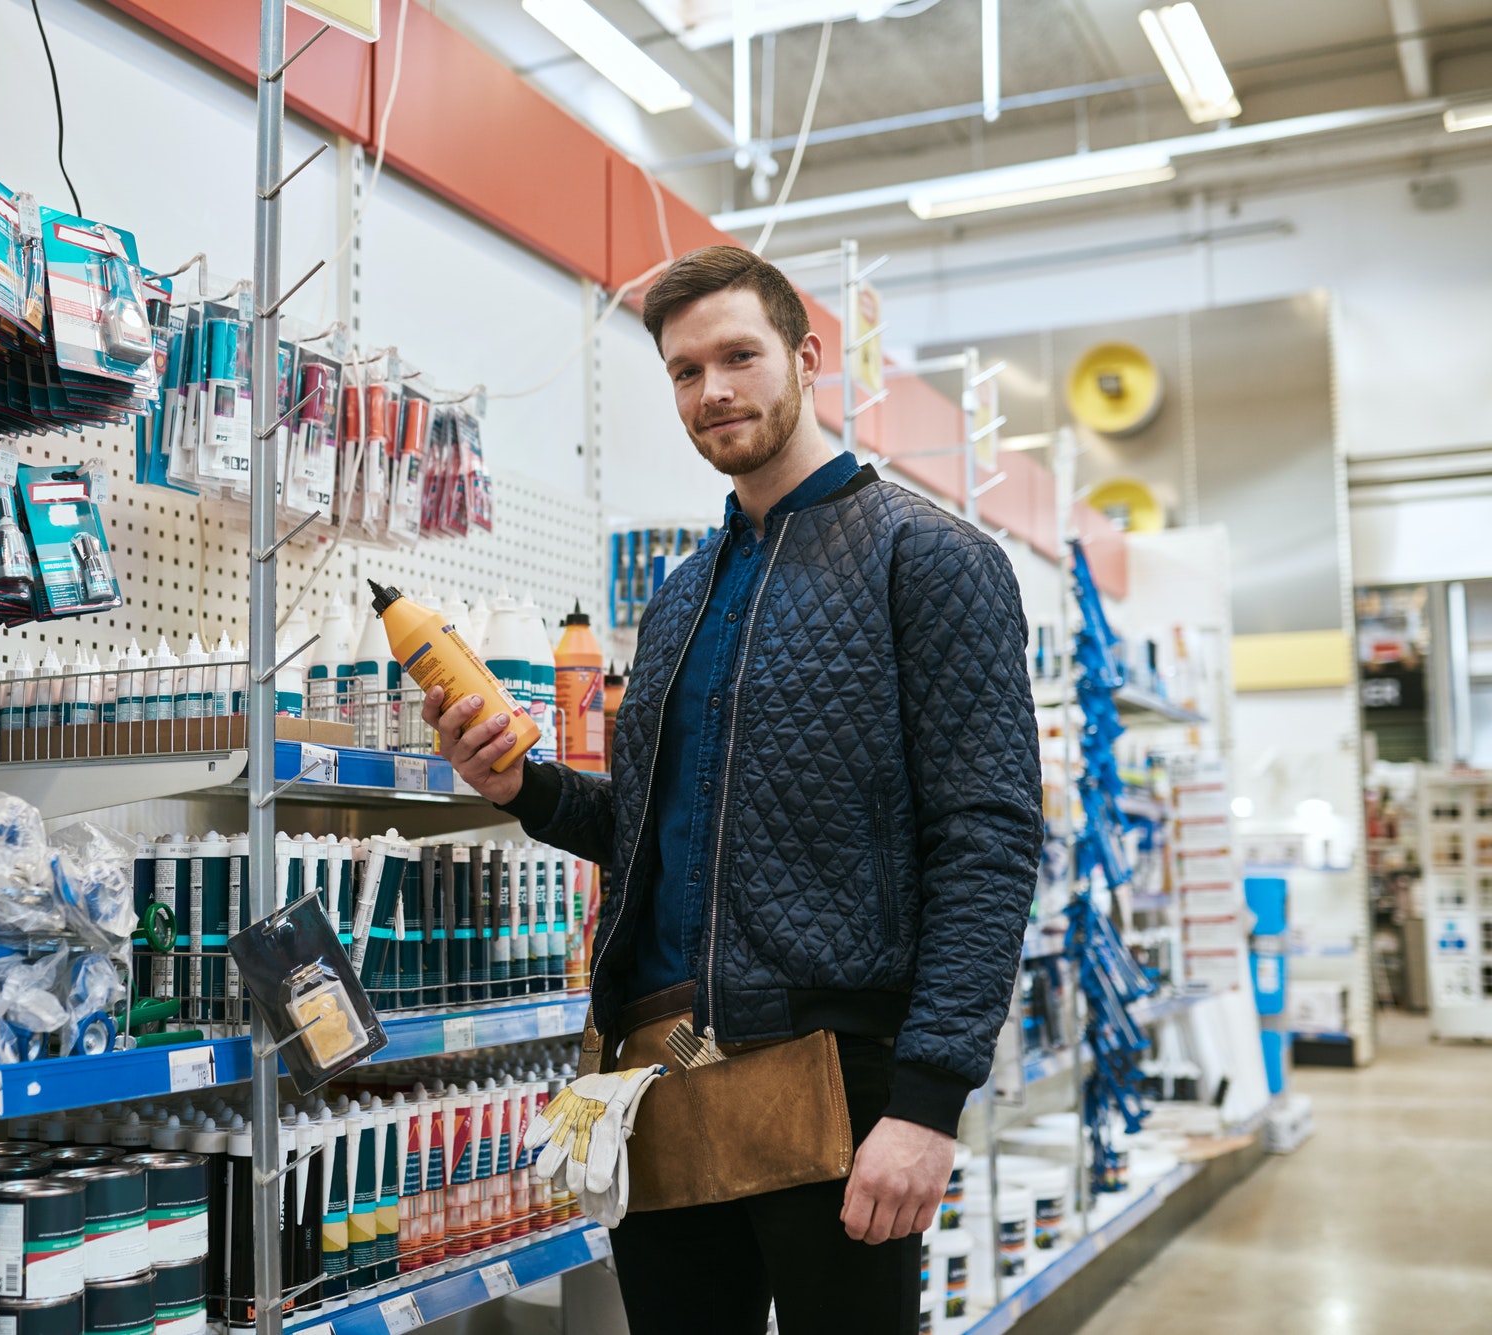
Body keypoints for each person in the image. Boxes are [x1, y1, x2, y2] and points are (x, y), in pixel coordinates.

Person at [422, 245, 1039, 1334]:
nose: (710, 391)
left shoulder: (930, 560)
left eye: (737, 356)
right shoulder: (678, 597)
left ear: (805, 357)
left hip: (833, 1079)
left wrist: (927, 1106)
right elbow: (649, 832)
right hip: (659, 1068)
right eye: (681, 370)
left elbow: (984, 841)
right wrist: (521, 786)